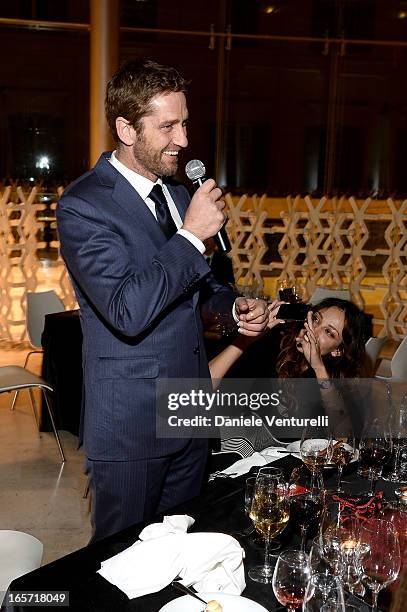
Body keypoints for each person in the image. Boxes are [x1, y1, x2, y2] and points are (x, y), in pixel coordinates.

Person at [56, 57, 268, 541]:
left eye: (185, 123)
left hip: (190, 415)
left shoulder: (176, 192)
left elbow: (199, 288)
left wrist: (229, 308)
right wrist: (192, 236)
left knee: (182, 551)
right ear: (126, 129)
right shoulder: (84, 205)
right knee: (124, 562)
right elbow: (128, 311)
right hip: (132, 425)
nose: (184, 140)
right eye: (168, 126)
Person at [209, 298, 367, 455]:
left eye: (329, 332)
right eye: (315, 319)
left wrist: (318, 367)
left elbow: (344, 441)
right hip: (230, 454)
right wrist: (248, 339)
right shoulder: (271, 346)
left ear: (337, 351)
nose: (313, 330)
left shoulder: (334, 383)